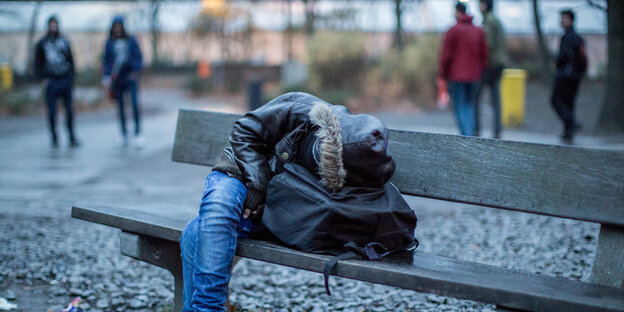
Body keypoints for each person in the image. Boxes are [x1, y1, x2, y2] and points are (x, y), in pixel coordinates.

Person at [179, 92, 397, 311]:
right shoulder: (299, 106)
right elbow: (243, 130)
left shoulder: (359, 166)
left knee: (196, 233)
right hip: (240, 172)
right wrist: (258, 182)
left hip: (273, 207)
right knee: (217, 213)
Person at [439, 2, 488, 137]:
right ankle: (470, 135)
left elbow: (446, 55)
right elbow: (484, 54)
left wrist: (443, 73)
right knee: (469, 105)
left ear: (457, 12)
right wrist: (481, 70)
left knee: (460, 106)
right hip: (474, 76)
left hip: (456, 76)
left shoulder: (453, 30)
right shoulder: (478, 31)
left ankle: (466, 137)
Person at [34, 16, 79, 148]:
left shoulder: (64, 42)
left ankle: (71, 136)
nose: (54, 27)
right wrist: (43, 79)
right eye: (51, 24)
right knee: (52, 112)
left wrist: (72, 79)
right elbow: (37, 64)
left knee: (69, 111)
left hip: (65, 79)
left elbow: (71, 61)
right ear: (48, 26)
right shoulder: (42, 43)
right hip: (51, 81)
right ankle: (54, 138)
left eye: (55, 24)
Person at [102, 15, 144, 148]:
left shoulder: (131, 41)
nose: (118, 29)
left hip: (130, 77)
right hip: (117, 79)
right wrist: (106, 76)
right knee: (120, 107)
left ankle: (138, 133)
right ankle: (123, 133)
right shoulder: (110, 42)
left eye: (120, 26)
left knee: (134, 104)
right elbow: (107, 61)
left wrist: (135, 71)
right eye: (116, 26)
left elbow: (139, 57)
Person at [551, 9, 587, 142]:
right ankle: (568, 131)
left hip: (565, 75)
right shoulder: (578, 38)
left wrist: (557, 61)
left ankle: (572, 123)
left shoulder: (567, 37)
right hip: (575, 75)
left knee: (556, 100)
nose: (562, 21)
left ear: (571, 21)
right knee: (569, 103)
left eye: (565, 19)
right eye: (562, 19)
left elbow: (565, 56)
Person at [475, 0, 508, 139]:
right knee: (495, 98)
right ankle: (497, 130)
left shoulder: (488, 21)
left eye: (481, 4)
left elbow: (487, 44)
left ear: (485, 5)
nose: (479, 7)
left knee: (476, 96)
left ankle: (476, 129)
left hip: (490, 64)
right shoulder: (496, 20)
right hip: (499, 62)